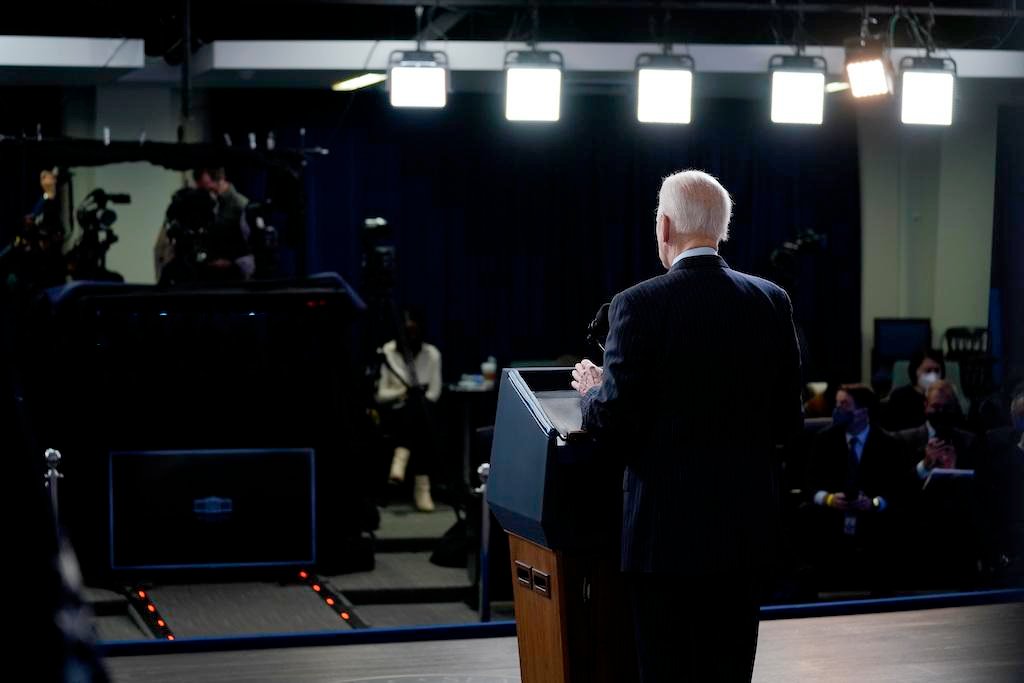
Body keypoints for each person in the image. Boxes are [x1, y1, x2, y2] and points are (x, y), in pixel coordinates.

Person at [571, 170, 802, 682]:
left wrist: (590, 391)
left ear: (665, 226)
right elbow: (789, 422)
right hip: (745, 535)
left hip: (664, 541)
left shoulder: (637, 304)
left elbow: (612, 424)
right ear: (721, 229)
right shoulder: (772, 301)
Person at [804, 385, 911, 592]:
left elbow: (897, 489)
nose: (838, 410)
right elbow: (809, 483)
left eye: (844, 405)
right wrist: (829, 499)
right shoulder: (824, 440)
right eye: (837, 404)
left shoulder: (889, 444)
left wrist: (873, 503)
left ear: (864, 411)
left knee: (895, 519)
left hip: (871, 514)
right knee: (807, 514)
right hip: (832, 512)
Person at [376, 309, 442, 512]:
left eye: (414, 331)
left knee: (419, 410)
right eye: (407, 331)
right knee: (416, 414)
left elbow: (434, 392)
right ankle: (422, 488)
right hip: (394, 412)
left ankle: (400, 458)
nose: (410, 336)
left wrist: (417, 398)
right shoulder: (387, 352)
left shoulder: (432, 354)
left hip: (422, 411)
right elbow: (380, 395)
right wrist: (404, 391)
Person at [155, 167, 253, 282]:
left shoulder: (240, 206)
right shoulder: (211, 203)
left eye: (206, 184)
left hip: (230, 274)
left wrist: (233, 263)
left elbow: (250, 249)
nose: (204, 189)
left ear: (219, 179)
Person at [883, 348, 944, 431]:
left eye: (937, 371)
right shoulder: (900, 397)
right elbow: (893, 433)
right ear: (915, 371)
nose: (933, 375)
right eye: (928, 371)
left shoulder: (946, 396)